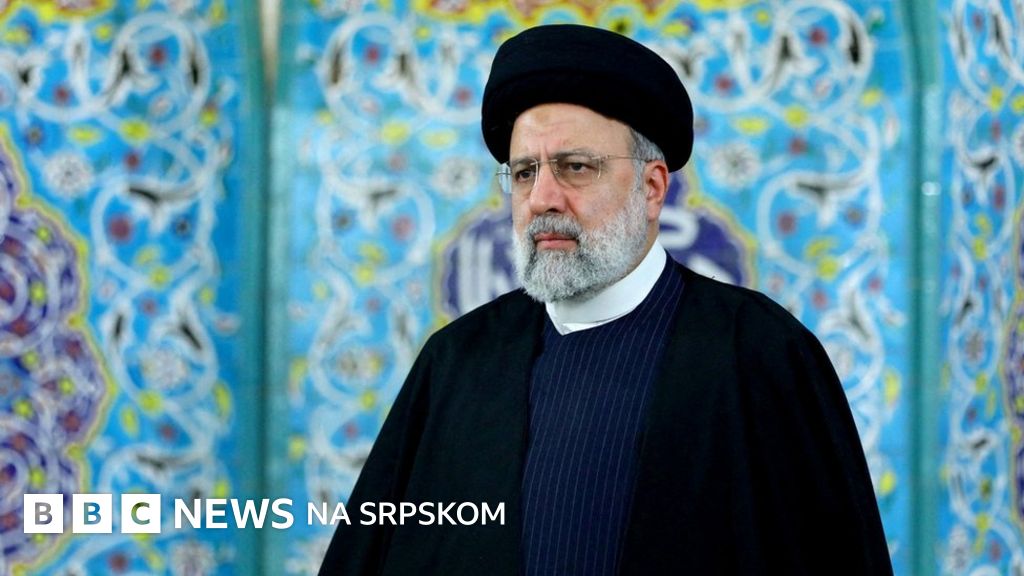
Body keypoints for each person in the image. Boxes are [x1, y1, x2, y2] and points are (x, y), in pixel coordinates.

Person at [319, 24, 892, 576]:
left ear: (652, 188)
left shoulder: (759, 353)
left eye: (575, 167)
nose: (543, 198)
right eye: (525, 173)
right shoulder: (458, 362)